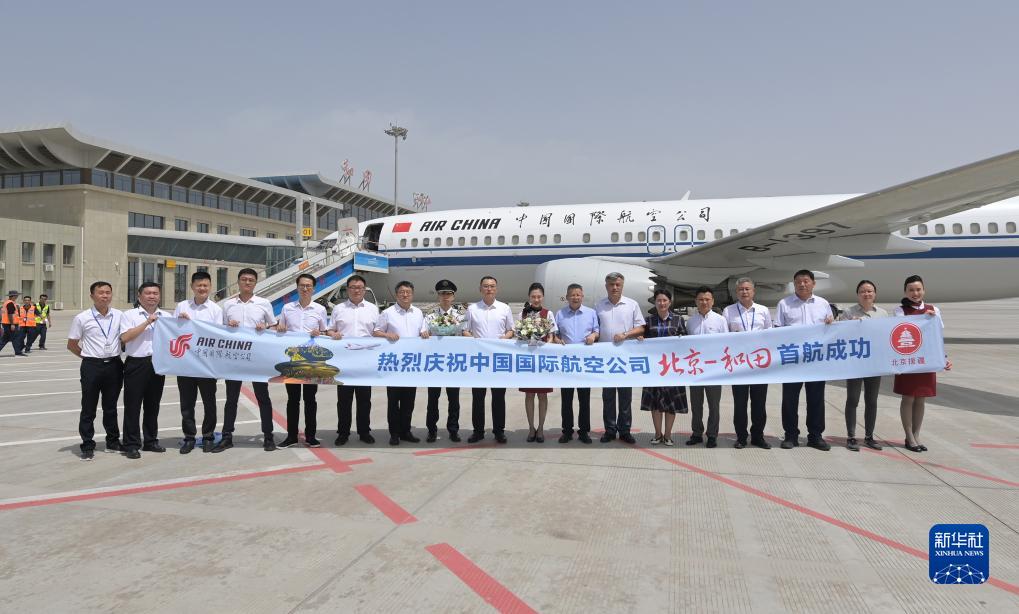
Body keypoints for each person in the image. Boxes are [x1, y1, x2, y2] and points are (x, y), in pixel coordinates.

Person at [219, 268, 279, 452]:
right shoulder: (228, 305)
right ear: (238, 282)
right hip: (235, 358)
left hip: (257, 358)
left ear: (255, 283)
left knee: (263, 397)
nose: (247, 282)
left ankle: (268, 436)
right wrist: (228, 326)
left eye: (251, 280)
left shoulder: (263, 303)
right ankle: (227, 436)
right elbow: (220, 329)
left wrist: (265, 328)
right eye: (244, 279)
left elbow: (274, 327)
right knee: (231, 399)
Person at [776, 269, 834, 451]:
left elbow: (831, 330)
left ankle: (815, 436)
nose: (802, 284)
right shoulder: (784, 304)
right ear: (794, 284)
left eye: (806, 281)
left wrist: (831, 324)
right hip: (792, 360)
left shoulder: (823, 304)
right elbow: (777, 331)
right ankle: (790, 435)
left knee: (816, 399)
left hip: (815, 360)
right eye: (798, 282)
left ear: (813, 283)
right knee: (789, 400)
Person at [893, 275, 951, 452]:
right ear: (905, 292)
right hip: (909, 360)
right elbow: (900, 331)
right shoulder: (900, 310)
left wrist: (943, 357)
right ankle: (909, 436)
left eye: (918, 289)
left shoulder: (934, 309)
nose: (915, 293)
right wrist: (924, 319)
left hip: (927, 360)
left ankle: (917, 434)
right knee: (908, 397)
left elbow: (937, 336)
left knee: (921, 398)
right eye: (911, 290)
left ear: (924, 290)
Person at [67, 281, 124, 460]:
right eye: (101, 292)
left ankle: (113, 441)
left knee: (111, 407)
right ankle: (87, 445)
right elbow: (72, 344)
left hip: (114, 365)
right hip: (91, 366)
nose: (105, 296)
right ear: (92, 296)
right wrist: (88, 357)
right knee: (88, 407)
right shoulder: (82, 318)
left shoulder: (119, 315)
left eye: (108, 292)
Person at [120, 281, 172, 459]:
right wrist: (147, 322)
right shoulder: (129, 315)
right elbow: (125, 338)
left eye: (155, 293)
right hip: (136, 363)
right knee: (133, 406)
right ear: (139, 296)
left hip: (157, 364)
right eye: (148, 293)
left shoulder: (166, 316)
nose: (152, 296)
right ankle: (131, 444)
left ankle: (150, 441)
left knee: (153, 405)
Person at [174, 270, 224, 454]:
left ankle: (208, 437)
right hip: (185, 364)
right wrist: (180, 323)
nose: (202, 288)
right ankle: (189, 438)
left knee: (209, 403)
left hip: (206, 365)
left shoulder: (216, 310)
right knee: (187, 404)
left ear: (210, 287)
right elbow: (172, 331)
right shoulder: (182, 306)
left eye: (205, 285)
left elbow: (217, 336)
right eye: (199, 285)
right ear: (192, 287)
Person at [374, 280, 429, 445]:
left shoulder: (418, 313)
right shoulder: (388, 313)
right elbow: (376, 331)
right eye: (402, 292)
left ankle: (406, 431)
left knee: (408, 402)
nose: (405, 295)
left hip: (411, 365)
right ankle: (394, 433)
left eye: (408, 292)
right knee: (393, 401)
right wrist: (387, 335)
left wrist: (425, 333)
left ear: (412, 294)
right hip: (394, 365)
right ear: (396, 294)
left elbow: (423, 330)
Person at [277, 273, 329, 448]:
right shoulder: (287, 308)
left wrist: (320, 333)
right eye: (302, 285)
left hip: (311, 362)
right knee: (292, 399)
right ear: (297, 287)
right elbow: (281, 329)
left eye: (308, 286)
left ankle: (310, 436)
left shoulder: (319, 309)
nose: (305, 288)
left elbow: (325, 332)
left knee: (310, 399)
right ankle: (291, 436)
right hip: (292, 361)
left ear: (313, 288)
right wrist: (280, 328)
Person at [722, 277, 774, 449]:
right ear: (736, 292)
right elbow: (724, 337)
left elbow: (770, 335)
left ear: (753, 291)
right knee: (740, 404)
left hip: (759, 364)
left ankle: (758, 436)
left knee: (759, 403)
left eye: (747, 289)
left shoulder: (763, 310)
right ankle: (741, 437)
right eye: (741, 289)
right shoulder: (728, 311)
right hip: (739, 364)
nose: (744, 292)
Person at [837, 280, 888, 451]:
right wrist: (850, 324)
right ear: (858, 294)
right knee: (853, 399)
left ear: (875, 293)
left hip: (874, 363)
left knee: (871, 401)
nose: (867, 294)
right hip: (855, 363)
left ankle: (869, 436)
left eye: (870, 291)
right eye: (863, 291)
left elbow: (886, 336)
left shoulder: (882, 314)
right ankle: (851, 437)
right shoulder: (848, 312)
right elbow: (839, 335)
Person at [328, 275, 379, 445]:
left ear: (364, 290)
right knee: (344, 400)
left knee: (364, 400)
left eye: (360, 287)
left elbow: (377, 331)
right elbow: (330, 330)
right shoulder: (338, 308)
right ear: (347, 289)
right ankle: (343, 433)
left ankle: (364, 432)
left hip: (365, 361)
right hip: (344, 361)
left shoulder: (373, 309)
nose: (356, 290)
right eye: (353, 287)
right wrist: (333, 334)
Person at [595, 272, 646, 444]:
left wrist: (626, 334)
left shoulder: (632, 304)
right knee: (608, 397)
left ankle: (625, 430)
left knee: (625, 397)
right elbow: (595, 329)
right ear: (606, 286)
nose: (615, 287)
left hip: (625, 358)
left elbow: (641, 328)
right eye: (611, 284)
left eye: (618, 284)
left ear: (622, 286)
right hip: (606, 359)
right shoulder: (599, 306)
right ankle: (610, 430)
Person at [463, 276, 514, 443]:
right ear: (480, 289)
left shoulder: (504, 308)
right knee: (478, 398)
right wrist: (475, 340)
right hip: (479, 360)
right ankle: (478, 431)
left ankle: (499, 431)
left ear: (496, 289)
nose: (489, 289)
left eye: (492, 286)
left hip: (498, 359)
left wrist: (504, 339)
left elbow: (511, 330)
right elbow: (465, 330)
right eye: (485, 286)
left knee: (498, 397)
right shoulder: (472, 309)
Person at [638, 289, 688, 446]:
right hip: (654, 368)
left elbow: (686, 342)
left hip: (672, 368)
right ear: (655, 302)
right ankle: (658, 434)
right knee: (655, 402)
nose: (662, 303)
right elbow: (643, 340)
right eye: (659, 300)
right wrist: (640, 338)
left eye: (664, 300)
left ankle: (668, 435)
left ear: (670, 302)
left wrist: (681, 339)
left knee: (671, 402)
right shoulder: (648, 321)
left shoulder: (678, 320)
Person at [555, 283, 599, 444]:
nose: (575, 297)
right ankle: (567, 431)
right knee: (566, 400)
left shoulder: (591, 313)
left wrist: (593, 336)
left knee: (584, 400)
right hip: (566, 363)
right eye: (572, 295)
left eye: (578, 295)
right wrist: (557, 340)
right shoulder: (560, 314)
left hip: (584, 362)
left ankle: (584, 432)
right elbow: (555, 334)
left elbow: (597, 331)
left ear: (582, 296)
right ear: (567, 297)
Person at [685, 286, 727, 448]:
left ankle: (712, 435)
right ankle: (696, 433)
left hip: (714, 370)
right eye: (701, 299)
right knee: (696, 405)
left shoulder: (720, 320)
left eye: (707, 299)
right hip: (695, 370)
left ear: (712, 301)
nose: (704, 302)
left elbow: (726, 344)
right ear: (696, 301)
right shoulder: (691, 322)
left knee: (714, 405)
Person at [424, 279, 464, 443]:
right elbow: (424, 333)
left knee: (454, 400)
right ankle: (431, 430)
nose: (445, 296)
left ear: (453, 296)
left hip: (453, 362)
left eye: (448, 294)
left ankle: (453, 430)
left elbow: (465, 335)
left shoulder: (460, 317)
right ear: (438, 296)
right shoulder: (430, 316)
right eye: (442, 294)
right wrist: (425, 334)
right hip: (435, 362)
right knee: (432, 399)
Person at [518, 282, 557, 443]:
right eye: (533, 296)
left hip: (542, 360)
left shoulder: (548, 314)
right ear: (529, 297)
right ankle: (530, 427)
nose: (536, 299)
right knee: (529, 394)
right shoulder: (523, 314)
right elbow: (519, 335)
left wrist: (545, 346)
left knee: (542, 395)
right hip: (528, 359)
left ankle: (540, 428)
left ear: (543, 297)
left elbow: (552, 336)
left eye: (539, 296)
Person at [0, 290, 23, 356]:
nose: (17, 296)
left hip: (7, 323)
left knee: (5, 339)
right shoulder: (10, 303)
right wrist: (12, 324)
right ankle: (18, 352)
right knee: (15, 338)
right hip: (10, 324)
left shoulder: (8, 302)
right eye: (16, 295)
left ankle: (18, 351)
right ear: (13, 296)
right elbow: (10, 314)